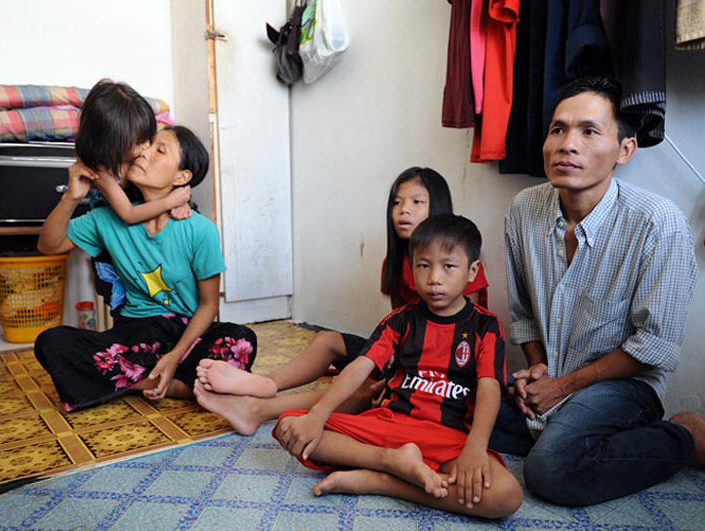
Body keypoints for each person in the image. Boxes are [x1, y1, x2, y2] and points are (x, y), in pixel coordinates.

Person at [492, 76, 705, 506]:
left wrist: (562, 386)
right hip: (555, 374)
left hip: (626, 384)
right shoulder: (523, 210)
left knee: (552, 471)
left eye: (589, 131)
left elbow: (654, 348)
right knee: (455, 405)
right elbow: (525, 315)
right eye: (558, 129)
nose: (567, 145)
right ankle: (577, 431)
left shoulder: (657, 224)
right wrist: (539, 370)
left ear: (625, 150)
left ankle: (684, 435)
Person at [193, 168, 489, 432]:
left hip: (445, 368)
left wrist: (398, 375)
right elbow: (402, 322)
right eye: (397, 203)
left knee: (362, 390)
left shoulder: (459, 263)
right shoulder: (397, 261)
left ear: (437, 206)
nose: (403, 211)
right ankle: (263, 385)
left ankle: (257, 410)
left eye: (416, 202)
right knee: (328, 340)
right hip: (405, 351)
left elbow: (469, 328)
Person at [272, 214, 523, 518]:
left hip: (448, 436)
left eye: (448, 266)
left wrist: (475, 447)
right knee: (289, 426)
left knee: (506, 496)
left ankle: (382, 481)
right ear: (412, 268)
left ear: (472, 271)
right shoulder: (400, 320)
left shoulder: (486, 326)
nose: (434, 278)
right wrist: (319, 413)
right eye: (423, 265)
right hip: (389, 426)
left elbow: (489, 388)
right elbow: (360, 367)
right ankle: (390, 461)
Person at [34, 125, 257, 411]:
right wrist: (71, 197)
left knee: (241, 339)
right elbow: (49, 245)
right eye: (147, 146)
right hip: (134, 333)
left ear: (182, 177)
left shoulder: (200, 230)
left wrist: (175, 355)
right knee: (52, 342)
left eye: (159, 150)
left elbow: (208, 305)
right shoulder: (105, 219)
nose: (143, 154)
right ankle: (174, 385)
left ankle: (142, 380)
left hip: (186, 335)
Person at [74, 79, 192, 316]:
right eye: (139, 142)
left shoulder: (133, 149)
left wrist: (180, 201)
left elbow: (166, 181)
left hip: (144, 218)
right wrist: (170, 202)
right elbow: (128, 214)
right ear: (112, 144)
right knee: (120, 290)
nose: (146, 147)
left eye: (149, 138)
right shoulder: (100, 169)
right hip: (117, 231)